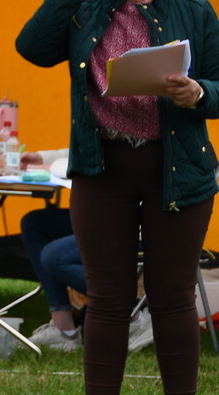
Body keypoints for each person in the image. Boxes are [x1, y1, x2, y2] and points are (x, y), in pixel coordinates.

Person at [16, 0, 219, 395]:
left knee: (173, 294)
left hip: (177, 168)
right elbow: (31, 47)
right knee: (108, 294)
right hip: (101, 167)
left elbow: (217, 86)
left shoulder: (194, 11)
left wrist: (198, 93)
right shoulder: (84, 9)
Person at [20, 148, 154, 353]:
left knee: (55, 257)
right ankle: (63, 328)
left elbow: (103, 162)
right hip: (106, 214)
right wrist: (42, 158)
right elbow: (85, 147)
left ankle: (134, 316)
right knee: (34, 224)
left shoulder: (138, 130)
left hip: (138, 226)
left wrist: (53, 166)